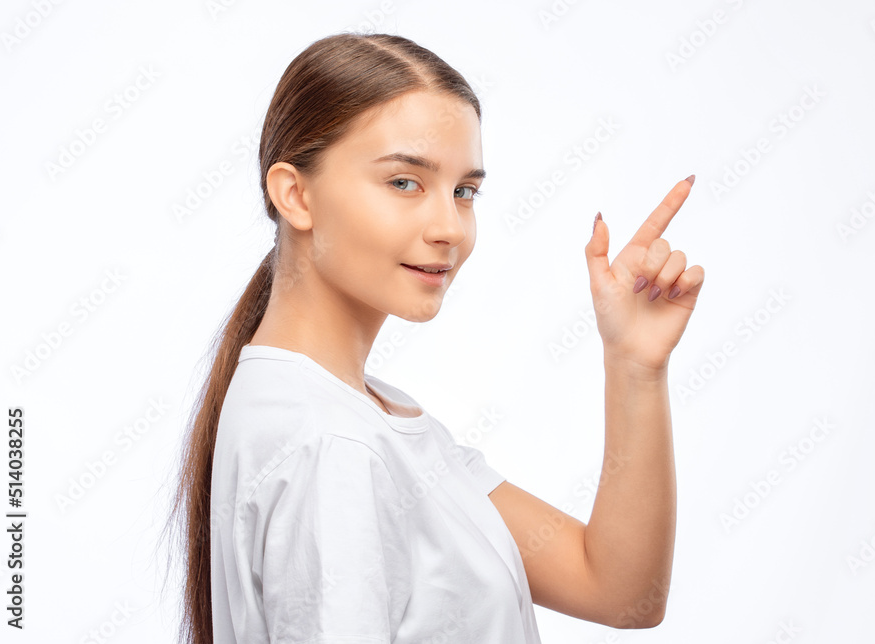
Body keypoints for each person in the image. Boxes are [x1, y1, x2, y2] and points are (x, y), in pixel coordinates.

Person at [165, 31, 704, 644]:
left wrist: (635, 363)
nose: (449, 226)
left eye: (464, 191)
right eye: (404, 183)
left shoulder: (360, 415)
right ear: (295, 194)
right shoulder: (334, 444)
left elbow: (620, 591)